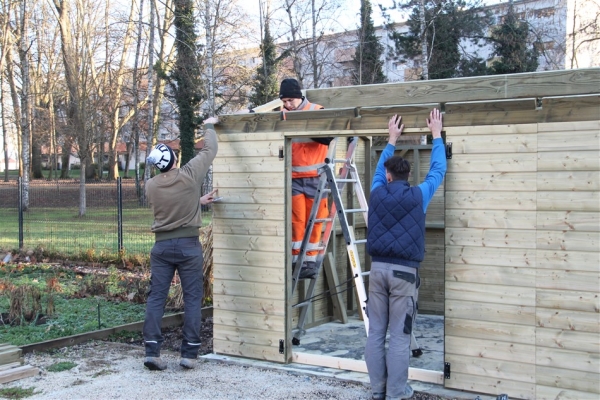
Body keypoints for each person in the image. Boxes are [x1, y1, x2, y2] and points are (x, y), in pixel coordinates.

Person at [365, 109, 447, 399]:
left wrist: (391, 139)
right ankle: (396, 394)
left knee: (376, 333)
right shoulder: (418, 196)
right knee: (399, 337)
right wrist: (437, 135)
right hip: (404, 275)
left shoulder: (376, 192)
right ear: (409, 175)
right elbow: (438, 170)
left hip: (377, 271)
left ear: (387, 176)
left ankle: (378, 392)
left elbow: (376, 171)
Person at [142, 117, 219, 371]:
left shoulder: (151, 186)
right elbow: (210, 150)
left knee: (156, 298)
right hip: (188, 247)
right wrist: (209, 126)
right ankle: (189, 355)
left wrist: (198, 201)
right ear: (174, 159)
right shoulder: (189, 175)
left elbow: (172, 205)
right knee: (193, 298)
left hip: (162, 248)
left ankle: (152, 351)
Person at [279, 78, 333, 279]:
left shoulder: (316, 110)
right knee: (297, 221)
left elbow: (328, 137)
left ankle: (309, 262)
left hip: (315, 178)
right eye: (284, 101)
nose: (287, 105)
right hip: (293, 179)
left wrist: (302, 125)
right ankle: (296, 262)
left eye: (290, 100)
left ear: (299, 97)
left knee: (314, 221)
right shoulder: (283, 114)